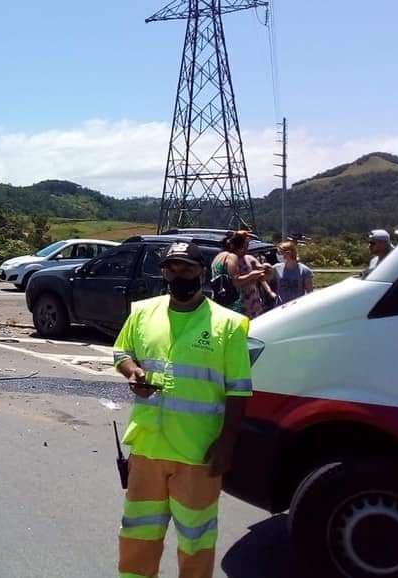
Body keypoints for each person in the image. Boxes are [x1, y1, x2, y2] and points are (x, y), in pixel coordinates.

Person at [113, 241, 252, 578]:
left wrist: (227, 443)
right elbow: (121, 353)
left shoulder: (229, 324)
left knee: (196, 538)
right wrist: (133, 372)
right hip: (147, 448)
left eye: (187, 268)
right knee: (137, 533)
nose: (179, 275)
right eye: (171, 268)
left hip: (198, 452)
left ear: (201, 271)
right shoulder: (143, 312)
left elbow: (239, 391)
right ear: (163, 273)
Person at [212, 230, 274, 318]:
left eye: (247, 247)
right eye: (243, 247)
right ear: (233, 246)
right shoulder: (231, 257)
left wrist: (266, 270)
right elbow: (235, 281)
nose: (246, 250)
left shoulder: (218, 257)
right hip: (239, 308)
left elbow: (263, 276)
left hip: (224, 304)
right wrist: (251, 275)